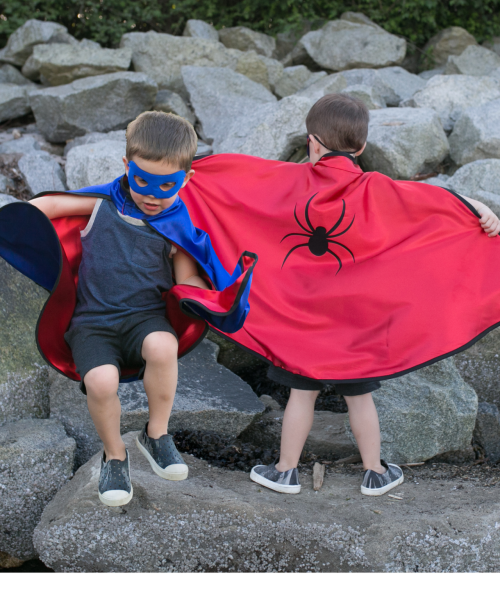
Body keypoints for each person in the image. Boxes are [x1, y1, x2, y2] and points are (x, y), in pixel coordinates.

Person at [249, 94, 500, 496]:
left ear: (312, 143)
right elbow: (430, 201)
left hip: (303, 324)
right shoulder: (376, 188)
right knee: (360, 400)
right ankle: (375, 473)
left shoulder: (291, 183)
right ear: (362, 148)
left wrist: (196, 176)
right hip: (357, 327)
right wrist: (475, 206)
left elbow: (246, 183)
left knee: (301, 395)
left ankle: (285, 471)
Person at [27, 111, 244, 507]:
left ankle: (156, 435)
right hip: (92, 324)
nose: (151, 193)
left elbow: (187, 279)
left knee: (164, 347)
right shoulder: (101, 204)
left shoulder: (177, 226)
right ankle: (115, 454)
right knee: (102, 382)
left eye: (166, 186)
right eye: (141, 179)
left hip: (145, 319)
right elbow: (46, 207)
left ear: (186, 180)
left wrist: (212, 296)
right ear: (126, 166)